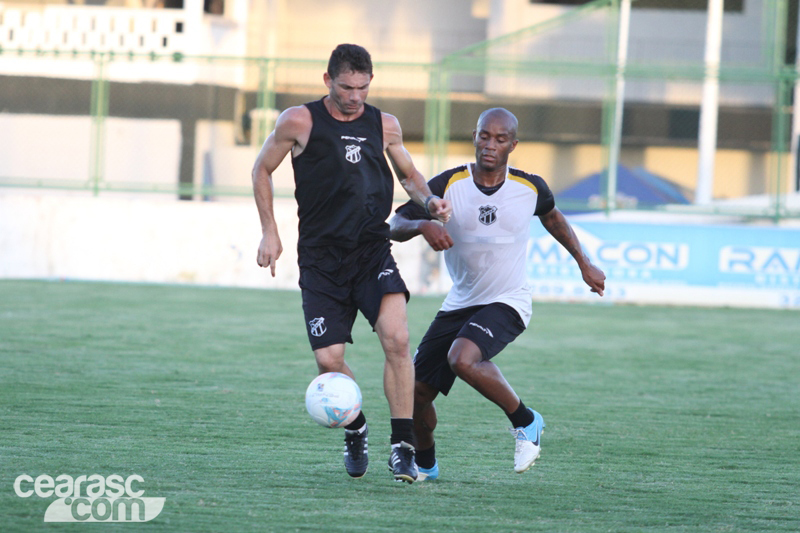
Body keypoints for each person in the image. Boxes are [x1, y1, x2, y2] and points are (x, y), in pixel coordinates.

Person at [251, 44, 451, 483]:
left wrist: (430, 200)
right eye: (346, 87)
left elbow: (410, 176)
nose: (355, 96)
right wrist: (270, 230)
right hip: (321, 260)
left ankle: (402, 447)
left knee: (397, 339)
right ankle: (356, 427)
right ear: (328, 81)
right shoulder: (298, 121)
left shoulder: (385, 125)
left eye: (363, 87)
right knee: (328, 360)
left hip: (370, 250)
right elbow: (261, 170)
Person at [389, 108, 605, 480]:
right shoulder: (449, 183)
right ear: (474, 136)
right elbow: (394, 223)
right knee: (416, 395)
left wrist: (584, 263)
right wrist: (425, 223)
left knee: (462, 358)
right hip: (460, 301)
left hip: (508, 301)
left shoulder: (530, 187)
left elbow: (553, 218)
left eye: (500, 139)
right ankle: (426, 465)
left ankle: (527, 422)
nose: (490, 145)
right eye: (484, 136)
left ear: (513, 145)